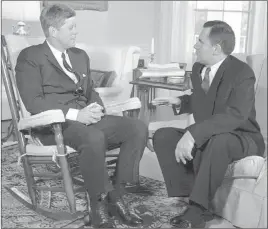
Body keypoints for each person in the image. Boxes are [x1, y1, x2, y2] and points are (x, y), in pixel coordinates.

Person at [15, 4, 148, 228]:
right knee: (93, 137)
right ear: (53, 31)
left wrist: (96, 109)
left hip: (84, 120)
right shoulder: (30, 57)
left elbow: (90, 92)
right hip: (53, 124)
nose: (76, 31)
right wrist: (77, 114)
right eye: (71, 27)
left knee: (136, 128)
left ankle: (117, 195)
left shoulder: (79, 55)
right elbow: (33, 102)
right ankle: (98, 207)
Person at [152, 20, 265, 228]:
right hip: (212, 132)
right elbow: (204, 99)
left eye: (200, 41)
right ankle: (189, 196)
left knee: (218, 142)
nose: (195, 46)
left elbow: (235, 115)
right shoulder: (198, 69)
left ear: (216, 48)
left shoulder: (242, 73)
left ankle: (197, 211)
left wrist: (193, 134)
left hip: (242, 136)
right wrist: (181, 102)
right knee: (163, 136)